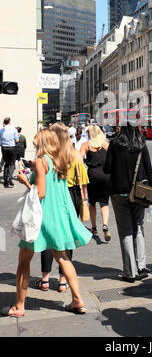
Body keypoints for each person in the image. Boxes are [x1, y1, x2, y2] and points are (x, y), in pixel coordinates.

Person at [1, 129, 92, 318]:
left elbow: (40, 193)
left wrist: (25, 181)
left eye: (36, 144)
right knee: (63, 258)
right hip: (56, 217)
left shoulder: (42, 161)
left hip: (40, 218)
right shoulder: (59, 160)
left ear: (43, 144)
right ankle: (77, 299)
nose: (34, 147)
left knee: (23, 262)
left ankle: (19, 307)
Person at [35, 123, 90, 293]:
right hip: (71, 197)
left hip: (53, 196)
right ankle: (62, 281)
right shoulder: (73, 153)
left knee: (47, 235)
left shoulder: (50, 156)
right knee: (68, 236)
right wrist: (85, 200)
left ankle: (44, 279)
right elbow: (83, 179)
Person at [103, 123, 152, 283]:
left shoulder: (114, 144)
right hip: (139, 193)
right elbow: (149, 168)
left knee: (125, 231)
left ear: (122, 129)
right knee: (138, 227)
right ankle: (141, 266)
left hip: (118, 193)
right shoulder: (141, 144)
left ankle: (130, 272)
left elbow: (107, 169)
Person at [80, 125, 112, 242]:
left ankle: (94, 228)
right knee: (104, 203)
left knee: (92, 203)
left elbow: (79, 159)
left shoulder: (86, 145)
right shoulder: (106, 144)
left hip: (92, 176)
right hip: (106, 176)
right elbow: (113, 159)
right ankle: (105, 225)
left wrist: (86, 161)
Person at [0, 117, 19, 188]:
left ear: (4, 122)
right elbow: (17, 140)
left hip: (4, 148)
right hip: (12, 147)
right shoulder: (14, 129)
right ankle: (9, 178)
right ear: (10, 122)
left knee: (6, 163)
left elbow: (0, 142)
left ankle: (5, 181)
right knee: (12, 164)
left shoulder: (1, 130)